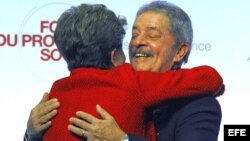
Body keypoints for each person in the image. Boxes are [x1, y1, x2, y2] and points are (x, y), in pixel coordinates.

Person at [23, 1, 224, 141]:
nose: (137, 41)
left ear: (180, 51)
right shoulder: (125, 81)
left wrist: (123, 140)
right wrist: (31, 134)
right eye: (134, 34)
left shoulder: (200, 107)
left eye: (152, 35)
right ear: (113, 54)